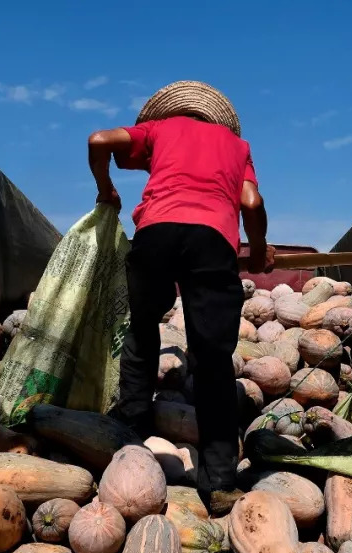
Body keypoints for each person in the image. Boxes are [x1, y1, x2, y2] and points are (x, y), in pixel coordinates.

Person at [87, 81, 275, 512]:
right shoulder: (236, 145)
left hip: (155, 233)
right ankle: (220, 482)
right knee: (212, 360)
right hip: (213, 241)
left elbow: (98, 140)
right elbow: (251, 200)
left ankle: (128, 437)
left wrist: (105, 188)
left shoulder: (159, 130)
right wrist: (260, 249)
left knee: (143, 329)